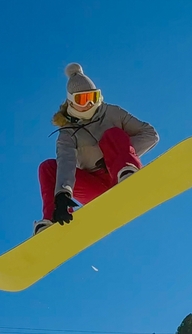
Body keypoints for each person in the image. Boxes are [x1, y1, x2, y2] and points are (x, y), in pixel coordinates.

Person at [34, 63, 160, 235]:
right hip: (95, 186)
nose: (90, 103)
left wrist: (115, 156)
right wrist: (63, 194)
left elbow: (149, 134)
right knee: (47, 167)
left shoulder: (112, 112)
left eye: (93, 96)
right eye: (82, 99)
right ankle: (55, 219)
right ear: (71, 101)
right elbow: (66, 163)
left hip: (120, 171)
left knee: (113, 134)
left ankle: (127, 177)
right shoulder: (67, 132)